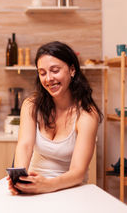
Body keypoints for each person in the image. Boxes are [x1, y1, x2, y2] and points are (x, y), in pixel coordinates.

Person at [7, 41, 102, 195]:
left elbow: (78, 173)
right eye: (42, 73)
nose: (49, 79)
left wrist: (47, 185)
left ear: (72, 70)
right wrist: (19, 180)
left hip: (69, 190)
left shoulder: (87, 114)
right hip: (34, 187)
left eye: (55, 70)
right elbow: (24, 146)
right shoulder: (31, 105)